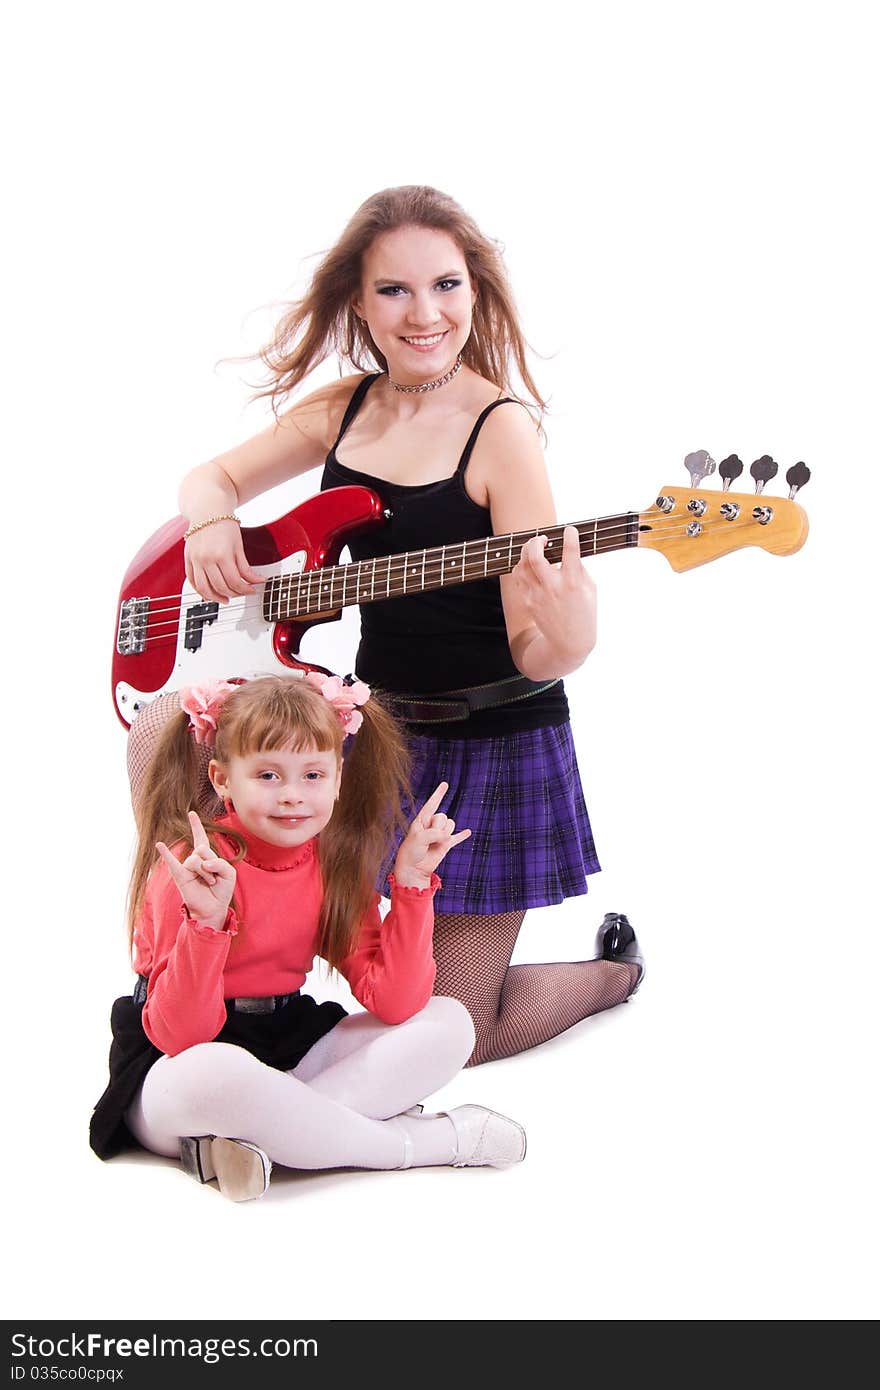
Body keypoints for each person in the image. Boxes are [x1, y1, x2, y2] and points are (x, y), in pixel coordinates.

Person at [129, 183, 643, 1069]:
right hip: (375, 732)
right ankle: (193, 962)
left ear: (474, 291)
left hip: (488, 745)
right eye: (395, 290)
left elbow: (535, 646)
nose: (424, 313)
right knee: (158, 731)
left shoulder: (501, 431)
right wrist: (213, 522)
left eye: (445, 285)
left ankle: (614, 976)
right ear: (359, 304)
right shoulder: (347, 406)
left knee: (455, 1033)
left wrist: (573, 636)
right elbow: (208, 478)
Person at [92, 674, 526, 1200]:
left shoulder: (329, 867)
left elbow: (395, 1001)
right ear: (222, 778)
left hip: (286, 1042)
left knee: (450, 1022)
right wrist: (205, 925)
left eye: (313, 774)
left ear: (338, 779)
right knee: (216, 1071)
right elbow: (180, 1038)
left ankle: (263, 1139)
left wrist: (412, 887)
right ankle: (417, 1143)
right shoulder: (194, 866)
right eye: (268, 775)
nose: (293, 796)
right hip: (177, 1064)